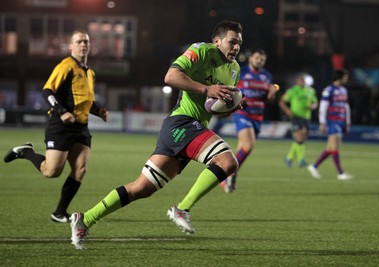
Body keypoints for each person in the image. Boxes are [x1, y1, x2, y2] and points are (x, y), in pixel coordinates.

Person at [68, 20, 243, 250]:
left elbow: (214, 109)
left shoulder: (234, 70)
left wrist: (230, 107)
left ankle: (85, 218)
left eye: (240, 43)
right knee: (227, 161)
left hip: (191, 130)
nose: (237, 47)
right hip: (181, 123)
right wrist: (206, 89)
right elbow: (170, 76)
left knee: (142, 188)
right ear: (217, 41)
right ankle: (183, 208)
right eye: (232, 42)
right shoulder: (201, 50)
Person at [3, 29, 108, 223]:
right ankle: (26, 152)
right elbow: (47, 91)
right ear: (71, 46)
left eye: (85, 41)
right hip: (60, 126)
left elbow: (85, 101)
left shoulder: (90, 72)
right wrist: (62, 112)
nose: (83, 44)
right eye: (79, 42)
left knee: (81, 169)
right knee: (51, 172)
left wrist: (99, 111)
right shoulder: (66, 66)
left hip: (81, 128)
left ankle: (59, 212)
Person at [220, 49, 278, 193]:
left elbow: (269, 99)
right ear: (251, 58)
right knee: (248, 145)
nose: (259, 61)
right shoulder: (241, 71)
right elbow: (231, 87)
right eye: (257, 57)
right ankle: (227, 174)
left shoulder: (266, 76)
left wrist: (271, 94)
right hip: (242, 113)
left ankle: (228, 175)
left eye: (262, 59)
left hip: (257, 116)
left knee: (243, 149)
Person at [307, 68, 353, 180]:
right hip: (332, 121)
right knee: (335, 146)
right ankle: (340, 173)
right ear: (339, 77)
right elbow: (323, 106)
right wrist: (322, 122)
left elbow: (346, 106)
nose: (347, 79)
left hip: (340, 121)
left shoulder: (343, 90)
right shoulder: (329, 90)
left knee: (331, 147)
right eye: (345, 77)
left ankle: (314, 166)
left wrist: (347, 121)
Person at [279, 74, 318, 168]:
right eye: (300, 80)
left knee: (302, 138)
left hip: (306, 117)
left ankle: (289, 158)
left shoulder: (310, 91)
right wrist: (287, 110)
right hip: (295, 116)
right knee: (300, 136)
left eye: (303, 80)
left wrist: (313, 106)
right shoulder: (292, 90)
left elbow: (315, 102)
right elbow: (282, 102)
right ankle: (301, 160)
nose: (302, 82)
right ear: (297, 81)